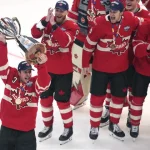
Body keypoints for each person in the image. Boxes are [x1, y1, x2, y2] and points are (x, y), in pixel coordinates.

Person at [82, 1, 141, 141]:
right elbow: (88, 45)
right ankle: (94, 126)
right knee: (97, 99)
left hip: (120, 70)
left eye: (115, 12)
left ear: (122, 12)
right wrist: (85, 64)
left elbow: (144, 22)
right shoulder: (99, 23)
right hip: (100, 69)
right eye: (110, 11)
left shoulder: (130, 19)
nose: (111, 14)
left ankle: (113, 124)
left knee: (118, 99)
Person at [31, 0, 79, 145]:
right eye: (57, 10)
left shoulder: (72, 26)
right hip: (45, 71)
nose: (58, 13)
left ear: (66, 12)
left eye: (61, 11)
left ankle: (68, 129)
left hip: (63, 72)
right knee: (45, 100)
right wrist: (45, 21)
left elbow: (64, 42)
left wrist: (53, 25)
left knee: (62, 102)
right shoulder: (47, 21)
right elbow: (34, 33)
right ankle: (47, 126)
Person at [101, 0, 150, 128]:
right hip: (117, 55)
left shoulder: (145, 15)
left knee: (133, 87)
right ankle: (109, 109)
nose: (128, 1)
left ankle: (131, 113)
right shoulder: (117, 11)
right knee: (111, 84)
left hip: (136, 58)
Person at [0, 33, 51, 150]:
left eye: (29, 71)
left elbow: (44, 84)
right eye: (25, 72)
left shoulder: (34, 84)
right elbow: (2, 64)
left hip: (26, 133)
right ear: (19, 72)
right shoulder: (10, 78)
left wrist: (42, 65)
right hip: (7, 130)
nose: (28, 74)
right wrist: (2, 44)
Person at [131, 20, 150, 140]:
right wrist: (148, 46)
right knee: (137, 98)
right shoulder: (145, 26)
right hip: (142, 69)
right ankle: (134, 124)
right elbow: (136, 50)